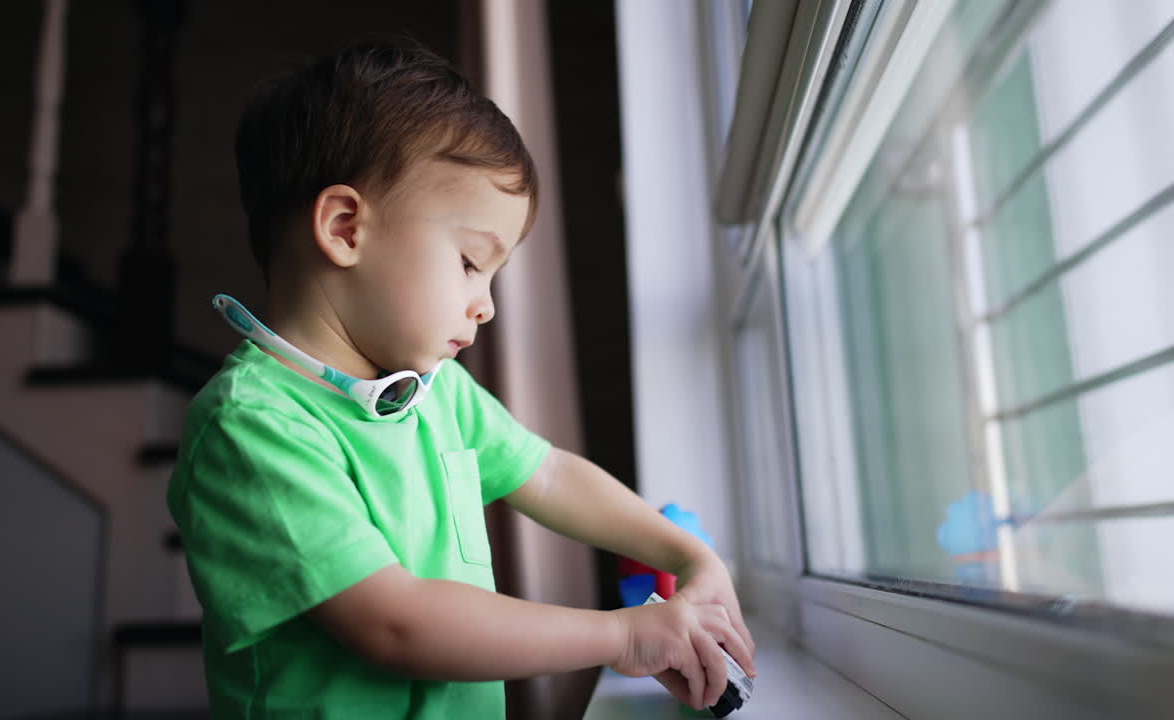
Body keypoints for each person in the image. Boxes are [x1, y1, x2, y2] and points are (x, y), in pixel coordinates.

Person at [166, 38, 756, 719]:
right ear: (345, 226)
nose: (488, 304)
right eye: (472, 262)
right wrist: (622, 634)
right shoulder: (252, 428)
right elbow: (398, 623)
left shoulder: (434, 390)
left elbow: (551, 475)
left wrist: (686, 556)